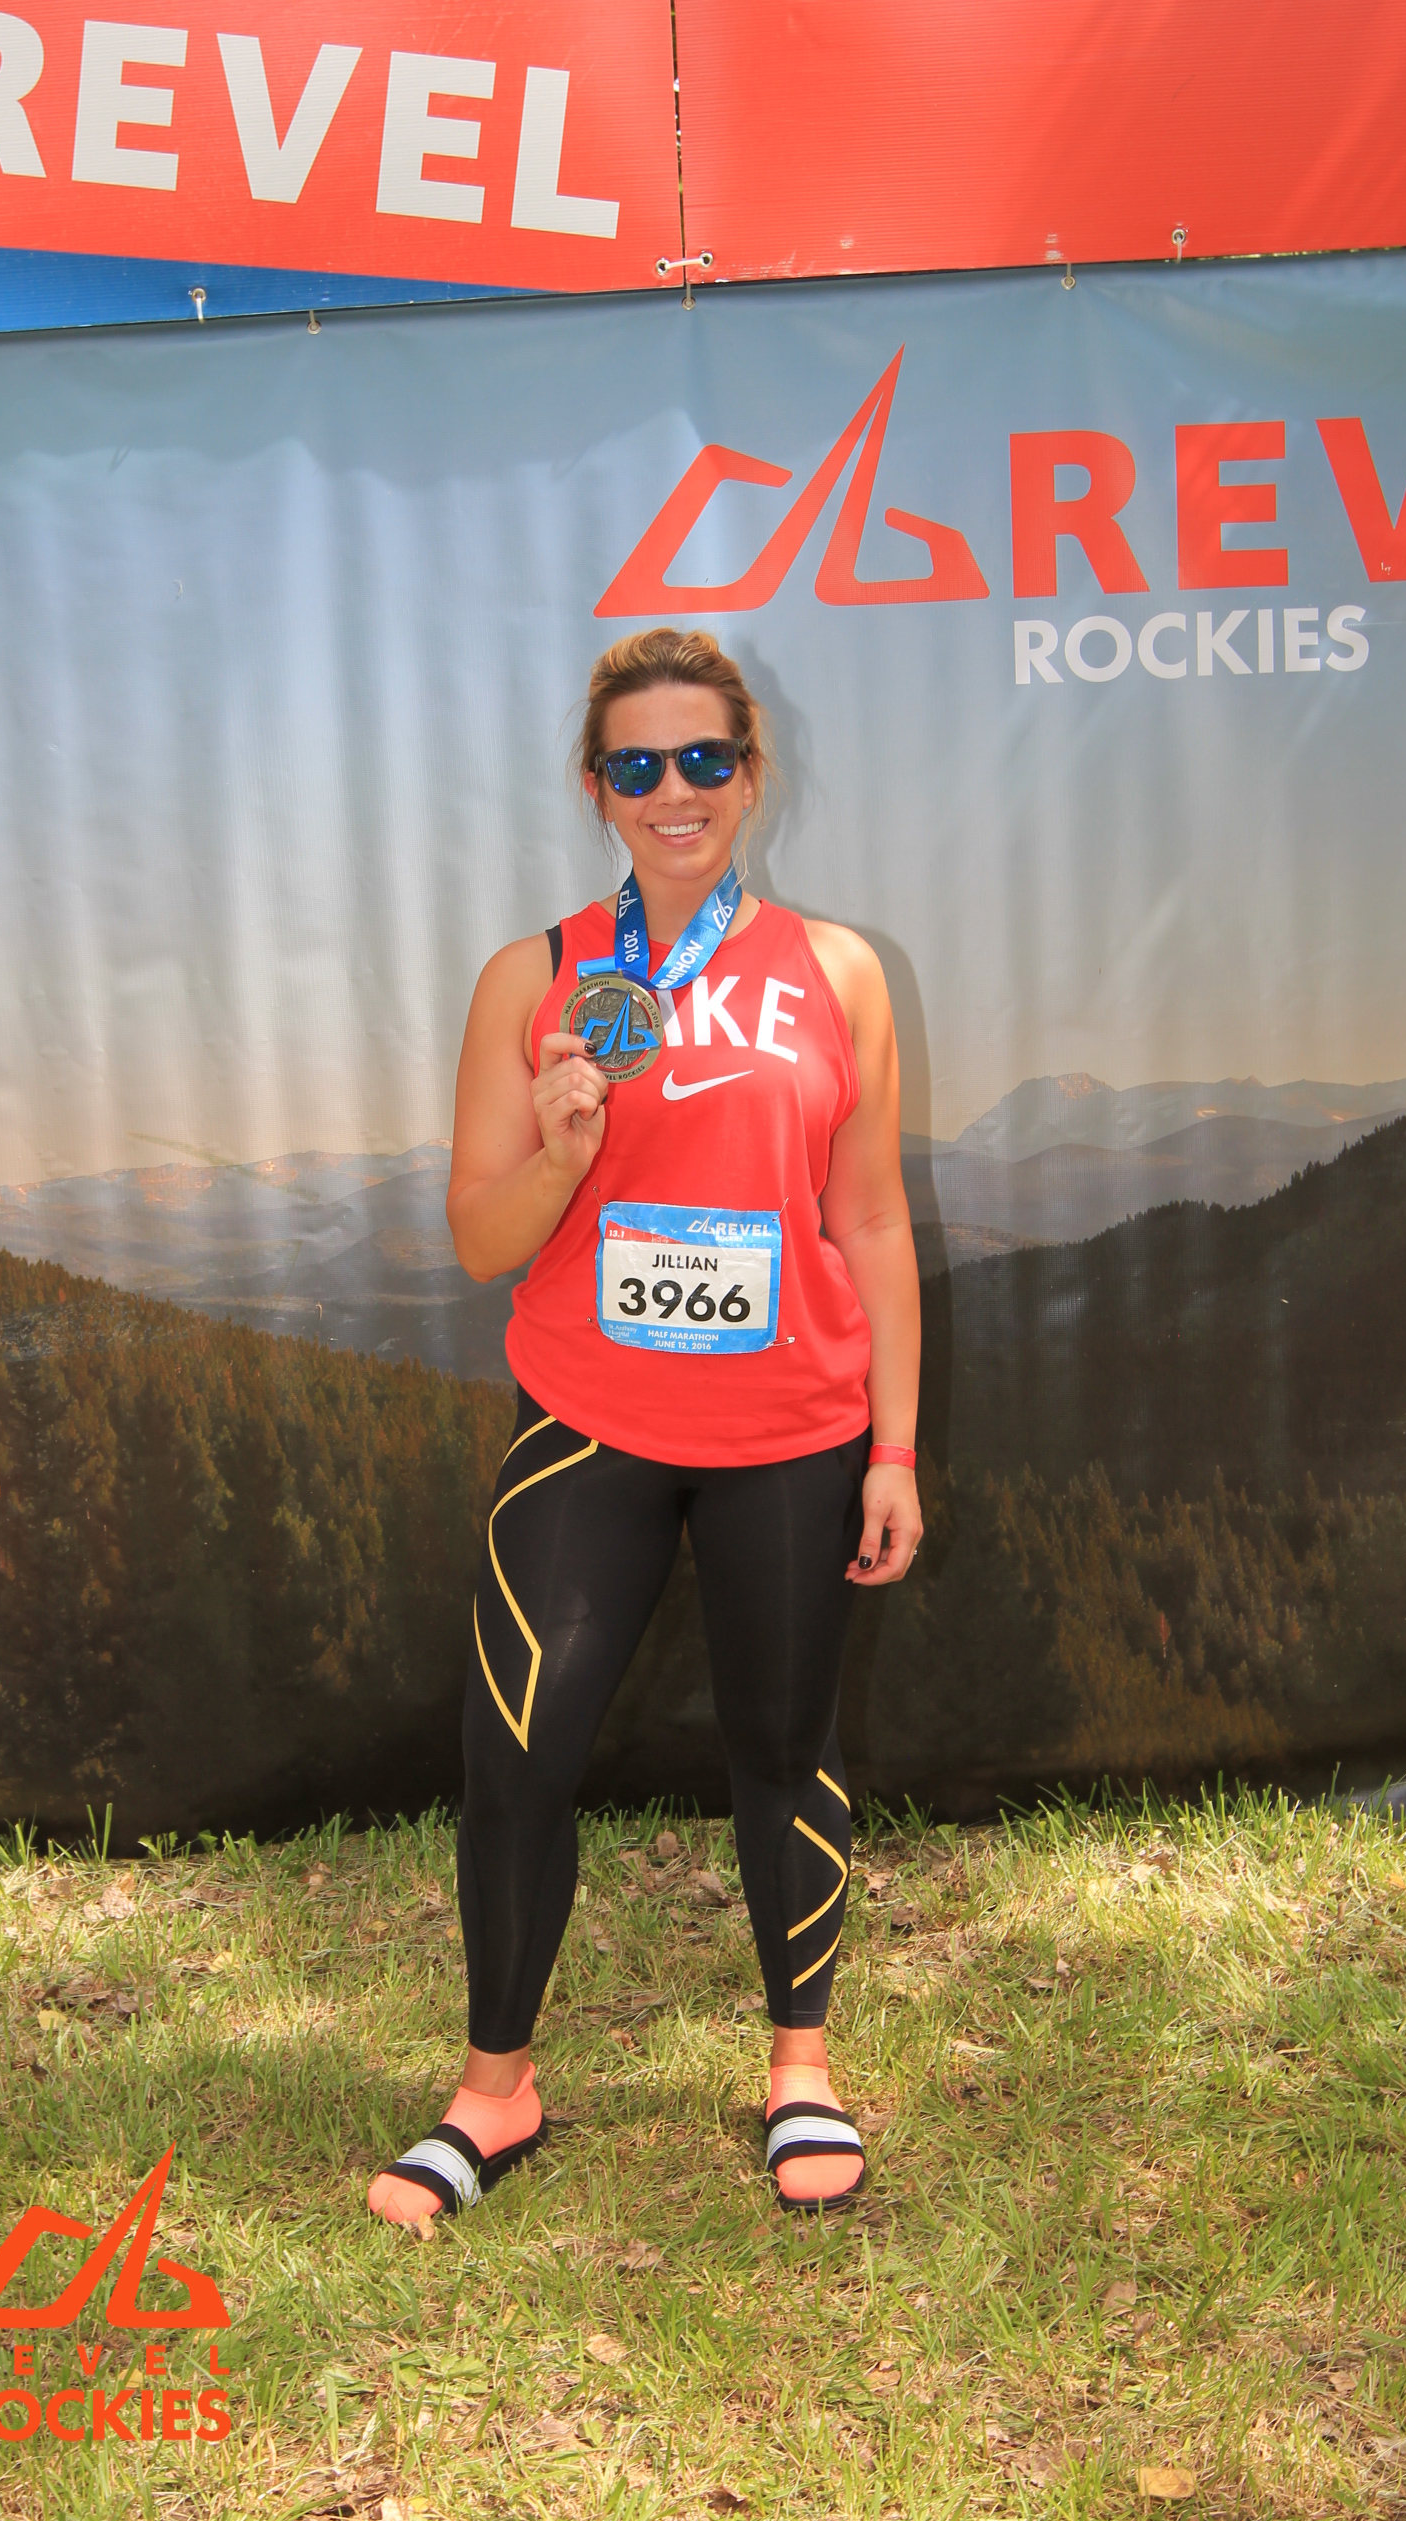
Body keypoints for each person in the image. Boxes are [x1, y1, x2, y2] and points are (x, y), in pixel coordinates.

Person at [368, 627, 922, 2224]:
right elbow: (483, 1239)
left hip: (793, 1429)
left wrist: (894, 1448)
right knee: (517, 1751)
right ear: (596, 787)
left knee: (784, 1750)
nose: (674, 790)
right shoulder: (534, 977)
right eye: (637, 764)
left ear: (752, 773)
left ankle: (800, 2069)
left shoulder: (839, 973)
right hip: (590, 1425)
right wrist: (559, 1148)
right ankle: (496, 2092)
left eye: (704, 758)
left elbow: (871, 1221)